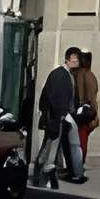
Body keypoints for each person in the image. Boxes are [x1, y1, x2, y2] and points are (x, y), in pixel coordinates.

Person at [33, 46, 88, 188]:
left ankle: (43, 175)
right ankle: (44, 177)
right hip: (58, 117)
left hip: (60, 116)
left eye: (77, 60)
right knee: (51, 146)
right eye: (74, 60)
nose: (77, 63)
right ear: (68, 60)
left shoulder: (63, 74)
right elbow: (53, 97)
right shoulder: (60, 75)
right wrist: (61, 115)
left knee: (52, 146)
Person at [72, 50, 100, 169]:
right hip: (84, 112)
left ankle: (74, 164)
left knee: (75, 140)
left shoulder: (74, 74)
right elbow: (92, 97)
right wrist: (95, 114)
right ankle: (78, 165)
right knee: (82, 139)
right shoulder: (89, 75)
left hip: (74, 111)